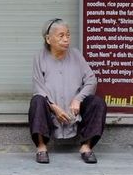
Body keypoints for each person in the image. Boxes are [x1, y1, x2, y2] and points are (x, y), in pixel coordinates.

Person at [28, 17, 107, 164]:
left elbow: (91, 80)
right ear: (48, 39)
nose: (66, 39)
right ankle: (41, 147)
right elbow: (38, 87)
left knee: (98, 102)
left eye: (68, 35)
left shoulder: (76, 55)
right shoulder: (39, 58)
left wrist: (78, 99)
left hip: (74, 113)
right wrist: (54, 107)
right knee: (37, 101)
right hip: (51, 112)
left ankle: (86, 147)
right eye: (61, 36)